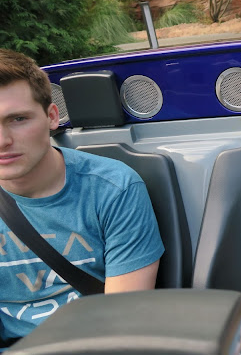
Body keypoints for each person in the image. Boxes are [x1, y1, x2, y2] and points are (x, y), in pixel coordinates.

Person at [0, 49, 165, 345]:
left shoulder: (113, 189)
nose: (3, 141)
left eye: (18, 119)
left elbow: (122, 321)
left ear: (52, 117)